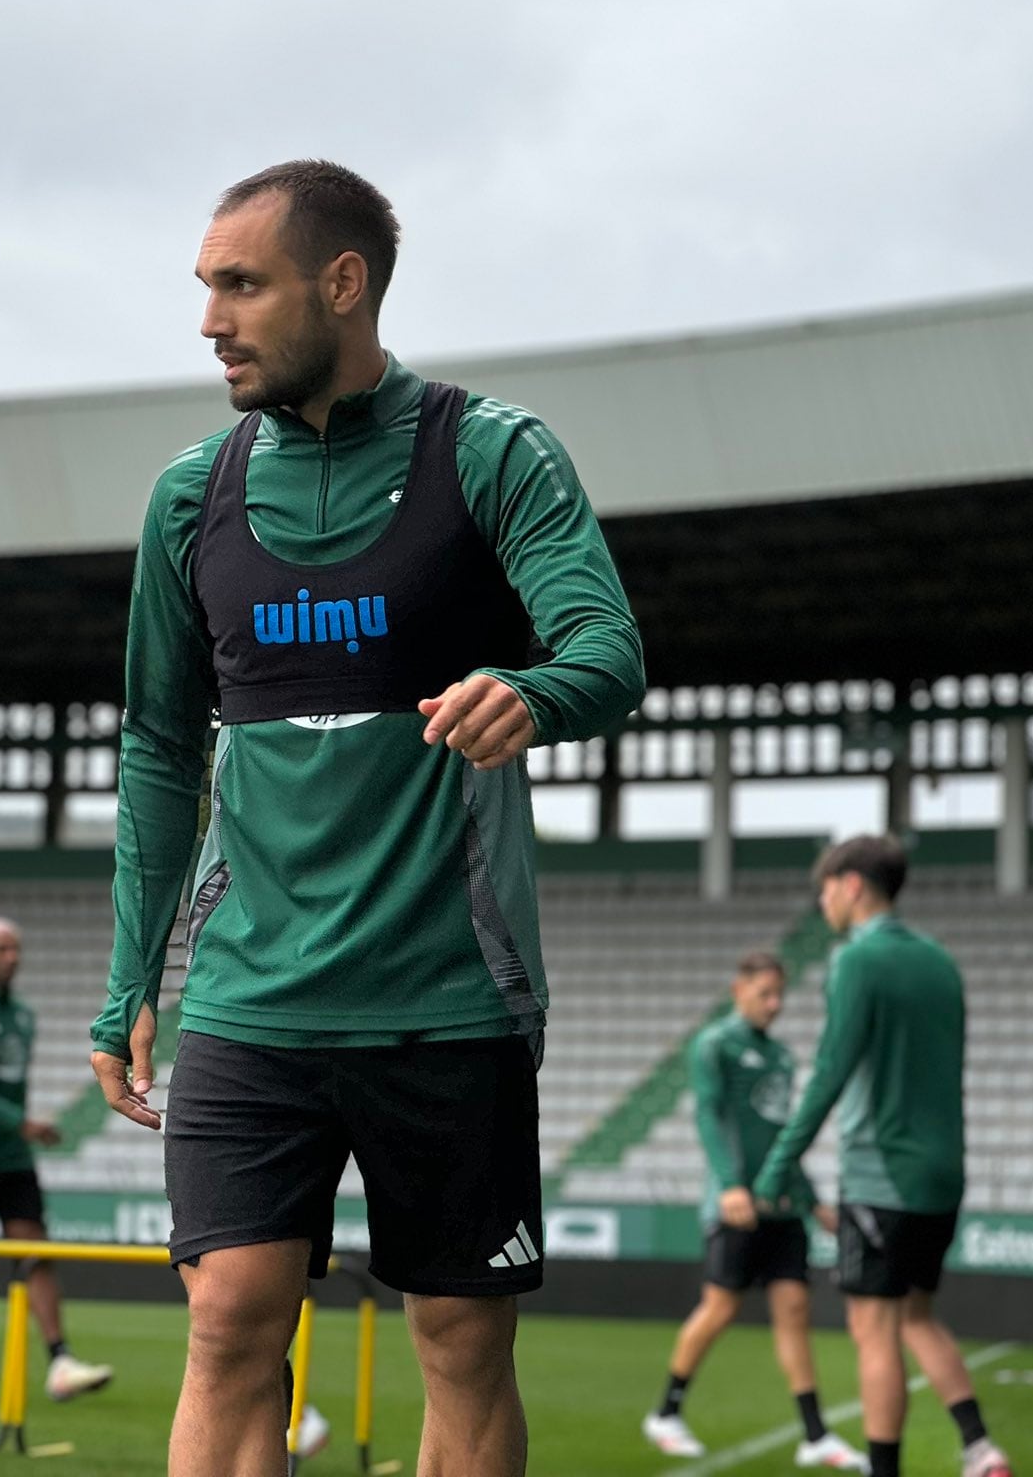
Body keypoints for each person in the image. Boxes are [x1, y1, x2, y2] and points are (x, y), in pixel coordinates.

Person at [89, 159, 646, 1476]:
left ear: (342, 285)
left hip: (446, 994)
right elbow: (163, 752)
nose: (211, 320)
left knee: (459, 1340)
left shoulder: (491, 451)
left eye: (241, 284)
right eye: (206, 286)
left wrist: (535, 689)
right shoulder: (193, 496)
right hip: (248, 1000)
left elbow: (607, 647)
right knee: (228, 1325)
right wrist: (128, 987)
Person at [752, 837, 1011, 1477]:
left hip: (881, 1174)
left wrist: (779, 1164)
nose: (821, 902)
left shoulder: (855, 959)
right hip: (943, 1174)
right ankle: (980, 1447)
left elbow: (830, 1072)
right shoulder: (940, 961)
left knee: (874, 1330)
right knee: (918, 1314)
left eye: (825, 888)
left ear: (853, 885)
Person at [645, 952, 866, 1470]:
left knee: (793, 1312)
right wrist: (729, 1185)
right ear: (737, 989)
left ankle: (814, 1434)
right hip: (735, 1206)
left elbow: (782, 1138)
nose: (776, 1004)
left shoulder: (784, 1058)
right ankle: (666, 1412)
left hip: (783, 1209)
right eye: (766, 993)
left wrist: (813, 1202)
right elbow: (709, 1115)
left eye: (780, 994)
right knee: (720, 1307)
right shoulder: (715, 1044)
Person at [0, 916, 112, 1403]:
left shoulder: (24, 1016)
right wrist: (22, 1122)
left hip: (11, 1156)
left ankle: (60, 1360)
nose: (11, 957)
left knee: (35, 1251)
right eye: (0, 948)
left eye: (16, 949)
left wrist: (21, 1129)